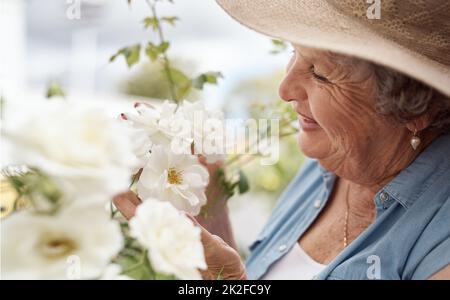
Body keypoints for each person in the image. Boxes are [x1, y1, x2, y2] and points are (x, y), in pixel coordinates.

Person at [114, 0, 450, 279]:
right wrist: (210, 213)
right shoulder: (329, 163)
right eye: (294, 54)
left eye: (320, 72)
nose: (285, 89)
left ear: (413, 107)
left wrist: (228, 283)